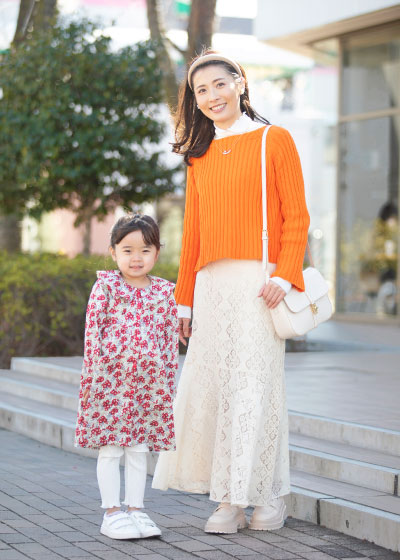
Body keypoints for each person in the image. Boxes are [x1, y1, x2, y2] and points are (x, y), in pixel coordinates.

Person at [152, 51, 310, 534]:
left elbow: (297, 216)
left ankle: (268, 495)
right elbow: (193, 236)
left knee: (256, 388)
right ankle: (228, 501)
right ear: (195, 101)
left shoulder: (273, 139)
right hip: (212, 287)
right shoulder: (198, 156)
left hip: (262, 285)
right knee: (218, 392)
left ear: (240, 83)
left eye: (220, 84)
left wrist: (285, 275)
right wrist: (183, 300)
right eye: (201, 91)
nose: (212, 96)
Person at [75, 214, 179, 540]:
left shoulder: (164, 292)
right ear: (113, 252)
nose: (137, 258)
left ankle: (136, 509)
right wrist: (91, 377)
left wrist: (168, 382)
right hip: (110, 383)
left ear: (157, 253)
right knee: (111, 448)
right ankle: (111, 513)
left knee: (138, 448)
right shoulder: (106, 287)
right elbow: (93, 333)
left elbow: (168, 340)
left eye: (145, 250)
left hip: (147, 385)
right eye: (128, 250)